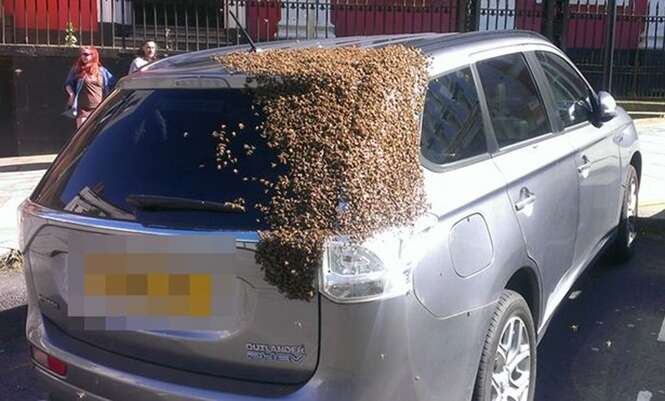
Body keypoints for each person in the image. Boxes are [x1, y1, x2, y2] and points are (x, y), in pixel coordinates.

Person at [64, 46, 115, 128]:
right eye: (82, 54)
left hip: (99, 109)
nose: (83, 57)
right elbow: (68, 83)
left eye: (86, 54)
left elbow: (113, 83)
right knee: (81, 132)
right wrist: (71, 95)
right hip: (83, 109)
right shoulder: (77, 69)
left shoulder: (102, 71)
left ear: (93, 55)